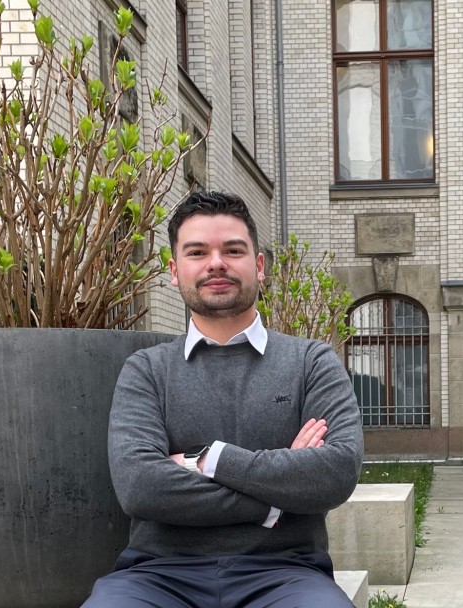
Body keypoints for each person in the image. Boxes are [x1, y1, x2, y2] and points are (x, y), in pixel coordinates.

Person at [83, 190, 364, 607]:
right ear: (175, 271)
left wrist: (207, 459)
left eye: (233, 250)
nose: (216, 263)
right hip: (157, 576)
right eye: (197, 252)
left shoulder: (311, 362)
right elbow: (141, 488)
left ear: (260, 265)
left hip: (286, 574)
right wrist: (274, 500)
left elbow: (335, 473)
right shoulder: (146, 370)